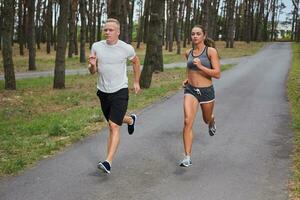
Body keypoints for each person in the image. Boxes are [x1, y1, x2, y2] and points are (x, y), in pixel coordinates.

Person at [88, 18, 141, 174]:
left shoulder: (126, 48)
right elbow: (93, 72)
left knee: (113, 125)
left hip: (120, 90)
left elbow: (136, 62)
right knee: (114, 120)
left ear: (118, 32)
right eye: (105, 29)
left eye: (111, 30)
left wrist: (136, 82)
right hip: (103, 91)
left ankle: (108, 162)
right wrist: (92, 65)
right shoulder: (96, 46)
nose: (107, 32)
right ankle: (131, 119)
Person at [180, 25, 221, 167]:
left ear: (204, 36)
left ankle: (212, 120)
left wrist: (202, 67)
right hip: (190, 90)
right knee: (187, 121)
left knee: (206, 119)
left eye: (198, 34)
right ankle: (187, 157)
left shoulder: (211, 51)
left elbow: (217, 74)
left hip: (206, 91)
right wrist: (188, 78)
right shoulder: (188, 52)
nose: (195, 36)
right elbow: (189, 68)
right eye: (193, 34)